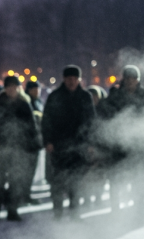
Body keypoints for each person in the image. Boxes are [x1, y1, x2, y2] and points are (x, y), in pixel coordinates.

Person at [42, 65, 96, 219]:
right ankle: (58, 213)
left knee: (76, 182)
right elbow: (47, 121)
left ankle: (75, 213)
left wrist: (90, 142)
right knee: (58, 182)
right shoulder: (55, 96)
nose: (71, 82)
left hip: (79, 146)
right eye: (69, 79)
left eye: (74, 79)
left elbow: (91, 121)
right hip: (58, 146)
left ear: (79, 80)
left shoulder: (85, 96)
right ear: (64, 79)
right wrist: (48, 141)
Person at [0, 75, 41, 221]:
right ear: (5, 88)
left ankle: (12, 211)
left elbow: (31, 127)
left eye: (14, 87)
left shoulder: (23, 105)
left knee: (16, 181)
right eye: (9, 87)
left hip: (19, 149)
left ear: (18, 88)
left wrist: (29, 145)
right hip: (1, 148)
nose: (12, 90)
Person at [97, 65, 144, 212]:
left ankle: (138, 208)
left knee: (138, 178)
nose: (130, 81)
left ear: (137, 80)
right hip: (117, 145)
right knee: (116, 179)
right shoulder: (115, 95)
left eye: (133, 78)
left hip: (138, 145)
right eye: (127, 78)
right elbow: (105, 116)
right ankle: (115, 208)